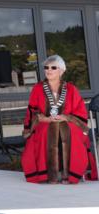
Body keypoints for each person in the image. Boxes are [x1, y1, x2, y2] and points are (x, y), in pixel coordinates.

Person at [22, 55, 98, 184]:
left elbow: (80, 111)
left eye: (53, 67)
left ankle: (68, 174)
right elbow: (32, 110)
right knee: (46, 131)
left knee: (70, 132)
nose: (49, 70)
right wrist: (43, 118)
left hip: (68, 122)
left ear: (61, 71)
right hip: (44, 122)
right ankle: (50, 174)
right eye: (46, 67)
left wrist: (66, 117)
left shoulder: (71, 89)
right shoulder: (38, 88)